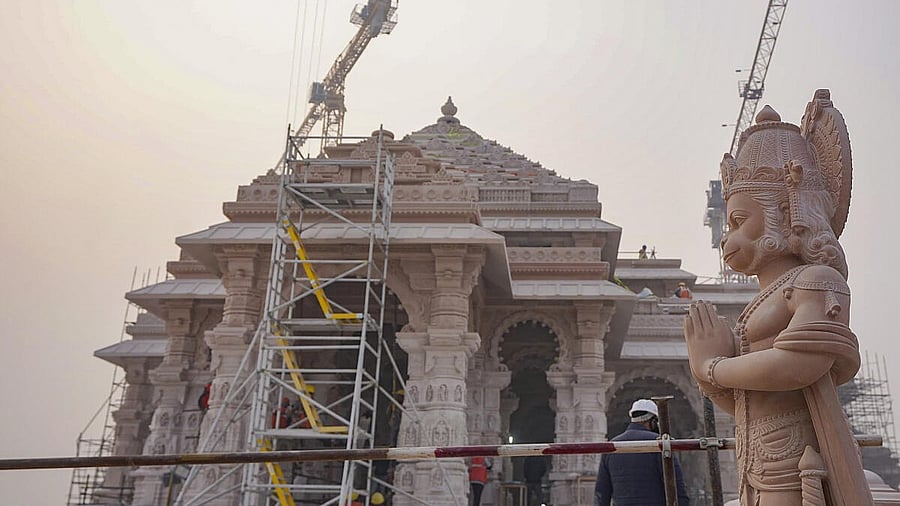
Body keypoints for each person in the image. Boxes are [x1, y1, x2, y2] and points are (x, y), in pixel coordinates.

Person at [684, 96, 871, 504]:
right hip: (758, 457)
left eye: (738, 222)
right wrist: (708, 376)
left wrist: (713, 366)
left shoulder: (817, 282)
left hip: (801, 461)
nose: (727, 238)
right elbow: (748, 399)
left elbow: (799, 365)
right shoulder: (758, 304)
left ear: (786, 213)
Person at [595, 399, 690, 506]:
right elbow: (677, 488)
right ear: (653, 421)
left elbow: (602, 493)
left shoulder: (611, 447)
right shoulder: (660, 445)